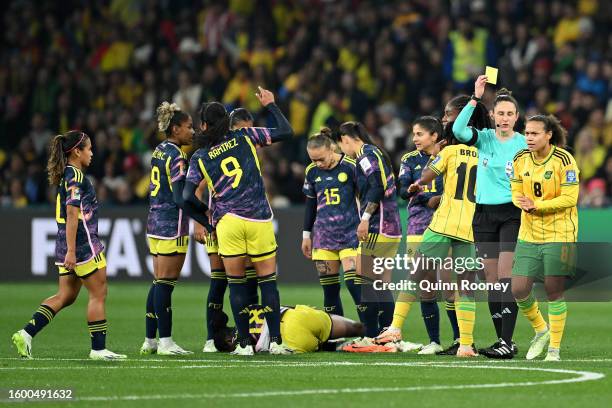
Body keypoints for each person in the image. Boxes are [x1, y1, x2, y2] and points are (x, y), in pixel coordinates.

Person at [184, 87, 294, 355]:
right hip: (258, 217)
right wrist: (271, 105)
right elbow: (285, 132)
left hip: (228, 221)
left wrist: (205, 218)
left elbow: (186, 195)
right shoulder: (246, 136)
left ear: (205, 125)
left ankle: (244, 344)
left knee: (235, 284)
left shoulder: (200, 156)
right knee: (267, 282)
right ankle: (276, 342)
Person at [12, 131, 126, 360]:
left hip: (66, 241)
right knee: (98, 292)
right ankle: (98, 349)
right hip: (81, 243)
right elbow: (73, 213)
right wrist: (73, 251)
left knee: (66, 295)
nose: (92, 153)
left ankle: (26, 333)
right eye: (89, 149)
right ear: (77, 151)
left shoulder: (68, 174)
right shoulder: (75, 176)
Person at [452, 76, 527, 358]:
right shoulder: (482, 139)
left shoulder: (523, 144)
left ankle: (507, 342)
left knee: (506, 277)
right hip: (483, 214)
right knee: (491, 281)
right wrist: (475, 97)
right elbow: (459, 130)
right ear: (492, 115)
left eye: (510, 114)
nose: (505, 118)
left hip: (512, 213)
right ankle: (502, 340)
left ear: (517, 117)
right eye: (500, 113)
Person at [141, 102, 210, 356]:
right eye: (189, 127)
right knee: (166, 284)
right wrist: (204, 217)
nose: (192, 132)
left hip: (154, 222)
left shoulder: (159, 150)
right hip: (172, 224)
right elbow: (181, 197)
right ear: (176, 128)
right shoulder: (177, 156)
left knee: (158, 282)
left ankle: (150, 339)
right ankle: (166, 342)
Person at [510, 115, 578, 362]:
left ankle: (554, 350)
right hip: (528, 233)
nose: (529, 138)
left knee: (553, 289)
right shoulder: (519, 159)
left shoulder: (564, 160)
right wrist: (522, 202)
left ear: (548, 135)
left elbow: (570, 198)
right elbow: (516, 190)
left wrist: (537, 205)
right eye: (527, 133)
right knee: (518, 289)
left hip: (560, 232)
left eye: (535, 133)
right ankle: (541, 330)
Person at [197, 107, 259, 353]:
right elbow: (198, 187)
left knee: (252, 278)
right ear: (231, 128)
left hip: (249, 220)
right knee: (220, 280)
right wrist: (199, 220)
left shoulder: (247, 148)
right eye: (244, 130)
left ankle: (253, 333)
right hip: (220, 222)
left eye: (250, 130)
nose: (248, 134)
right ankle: (211, 338)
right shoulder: (217, 150)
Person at [387, 116, 450, 355]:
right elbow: (403, 191)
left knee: (449, 285)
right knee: (425, 285)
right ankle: (434, 341)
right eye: (414, 134)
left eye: (419, 134)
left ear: (434, 136)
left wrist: (441, 199)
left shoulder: (450, 156)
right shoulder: (409, 160)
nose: (414, 139)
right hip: (418, 226)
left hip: (447, 226)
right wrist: (424, 196)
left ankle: (460, 340)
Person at [334, 121, 402, 341]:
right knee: (380, 282)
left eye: (341, 146)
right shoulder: (376, 152)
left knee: (363, 281)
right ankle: (388, 333)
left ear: (346, 139)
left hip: (377, 226)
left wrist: (364, 219)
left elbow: (377, 186)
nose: (343, 151)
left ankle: (371, 335)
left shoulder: (365, 156)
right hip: (391, 227)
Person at [301, 129, 360, 317]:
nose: (318, 164)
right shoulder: (311, 171)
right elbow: (311, 204)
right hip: (323, 237)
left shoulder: (351, 166)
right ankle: (338, 336)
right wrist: (306, 235)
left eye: (321, 159)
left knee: (354, 285)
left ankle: (371, 335)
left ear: (331, 149)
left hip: (351, 234)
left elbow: (365, 196)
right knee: (330, 290)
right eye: (313, 160)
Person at [211, 305, 365, 353]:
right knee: (355, 327)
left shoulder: (238, 343)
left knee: (318, 346)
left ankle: (333, 346)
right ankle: (375, 334)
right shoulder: (247, 310)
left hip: (291, 339)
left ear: (228, 341)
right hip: (295, 316)